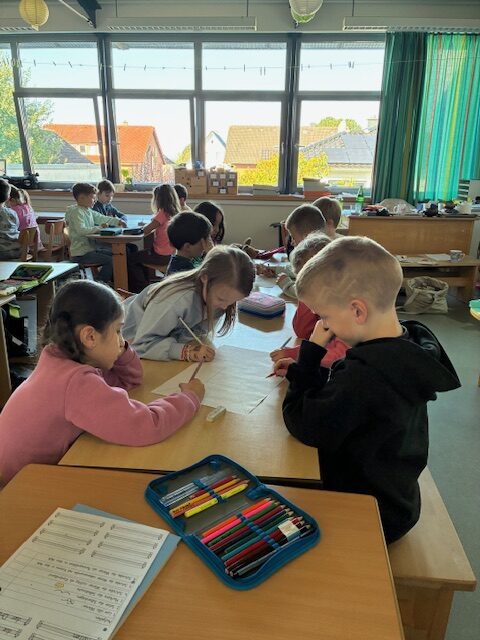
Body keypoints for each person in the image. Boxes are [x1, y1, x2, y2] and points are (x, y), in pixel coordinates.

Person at [280, 236, 460, 544]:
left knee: (276, 492)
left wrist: (309, 356)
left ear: (357, 312)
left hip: (368, 514)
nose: (323, 326)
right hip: (397, 498)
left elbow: (302, 423)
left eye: (325, 317)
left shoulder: (364, 376)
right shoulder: (408, 347)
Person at [0, 280, 204, 486]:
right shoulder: (76, 383)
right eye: (118, 331)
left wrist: (120, 350)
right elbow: (146, 426)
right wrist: (189, 398)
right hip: (16, 487)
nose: (122, 341)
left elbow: (128, 381)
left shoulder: (59, 359)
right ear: (90, 336)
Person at [123, 245, 254, 361]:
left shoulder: (220, 298)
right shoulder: (175, 300)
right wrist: (186, 352)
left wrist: (186, 346)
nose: (225, 307)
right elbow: (140, 345)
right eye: (221, 299)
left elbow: (194, 333)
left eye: (232, 302)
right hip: (124, 335)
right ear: (205, 278)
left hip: (153, 343)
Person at [270, 233, 348, 372]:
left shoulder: (346, 312)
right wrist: (295, 353)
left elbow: (336, 358)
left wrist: (299, 357)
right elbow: (303, 332)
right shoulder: (327, 306)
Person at [65, 183, 126, 284]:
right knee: (110, 260)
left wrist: (117, 221)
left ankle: (113, 282)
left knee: (117, 255)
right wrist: (99, 228)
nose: (94, 200)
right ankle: (99, 284)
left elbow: (101, 218)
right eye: (93, 198)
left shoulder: (87, 210)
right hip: (81, 254)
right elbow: (81, 230)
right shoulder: (76, 212)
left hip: (90, 249)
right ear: (82, 198)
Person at [128, 184, 181, 292]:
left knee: (131, 259)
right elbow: (156, 226)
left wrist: (140, 227)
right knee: (140, 256)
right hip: (171, 253)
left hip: (160, 255)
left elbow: (146, 230)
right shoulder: (174, 213)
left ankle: (141, 287)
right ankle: (144, 283)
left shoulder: (162, 214)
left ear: (158, 199)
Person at [166, 211, 213, 276]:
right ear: (187, 247)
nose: (207, 243)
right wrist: (212, 255)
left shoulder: (183, 259)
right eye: (204, 240)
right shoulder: (184, 271)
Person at [7, 186, 43, 251]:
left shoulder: (13, 211)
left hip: (18, 246)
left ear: (12, 200)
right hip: (30, 243)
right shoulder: (28, 207)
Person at [0, 178, 21, 260]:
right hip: (17, 250)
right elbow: (17, 227)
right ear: (8, 197)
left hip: (2, 252)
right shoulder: (12, 213)